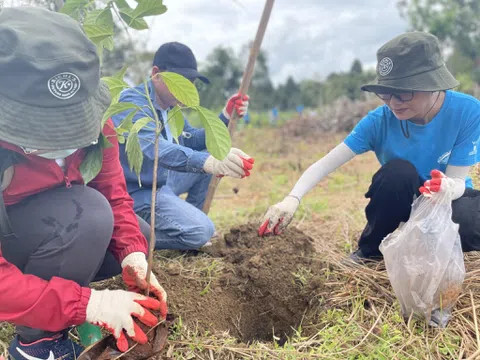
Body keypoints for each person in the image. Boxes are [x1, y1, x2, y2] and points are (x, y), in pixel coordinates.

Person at [0, 7, 167, 360]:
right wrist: (89, 304)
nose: (64, 141)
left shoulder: (96, 120)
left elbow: (114, 194)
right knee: (88, 215)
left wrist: (132, 255)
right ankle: (36, 343)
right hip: (13, 238)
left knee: (135, 230)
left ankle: (54, 298)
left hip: (55, 224)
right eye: (44, 130)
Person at [259, 32, 480, 264]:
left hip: (448, 200)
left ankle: (429, 243)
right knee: (396, 172)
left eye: (404, 93)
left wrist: (445, 189)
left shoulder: (467, 112)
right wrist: (292, 198)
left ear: (433, 85)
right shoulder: (379, 121)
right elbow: (325, 164)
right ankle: (370, 251)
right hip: (404, 200)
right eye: (385, 94)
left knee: (470, 220)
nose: (393, 103)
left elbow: (457, 181)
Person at [112, 42, 254, 251]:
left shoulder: (170, 107)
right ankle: (122, 240)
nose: (187, 88)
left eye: (191, 82)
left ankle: (187, 229)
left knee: (207, 154)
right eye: (180, 80)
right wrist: (209, 162)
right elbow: (158, 149)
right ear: (156, 74)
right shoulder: (133, 104)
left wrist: (225, 115)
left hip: (163, 182)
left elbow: (191, 139)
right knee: (200, 230)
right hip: (137, 192)